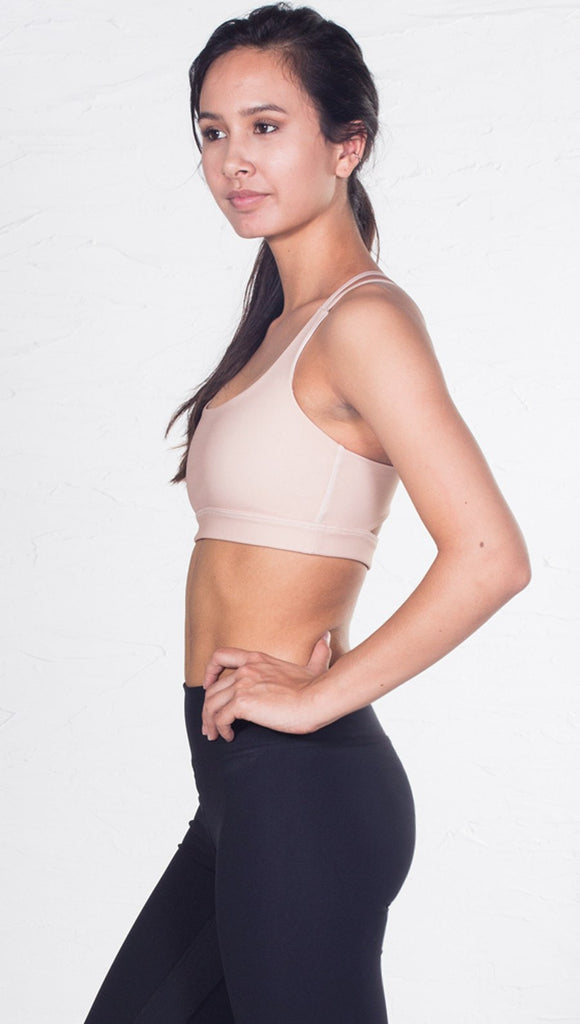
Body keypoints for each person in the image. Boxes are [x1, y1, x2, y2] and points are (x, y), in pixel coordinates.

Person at [82, 4, 531, 1022]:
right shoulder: (281, 324)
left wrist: (318, 697)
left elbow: (490, 555)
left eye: (266, 125)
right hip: (241, 789)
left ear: (346, 144)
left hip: (303, 793)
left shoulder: (363, 320)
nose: (232, 159)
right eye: (212, 131)